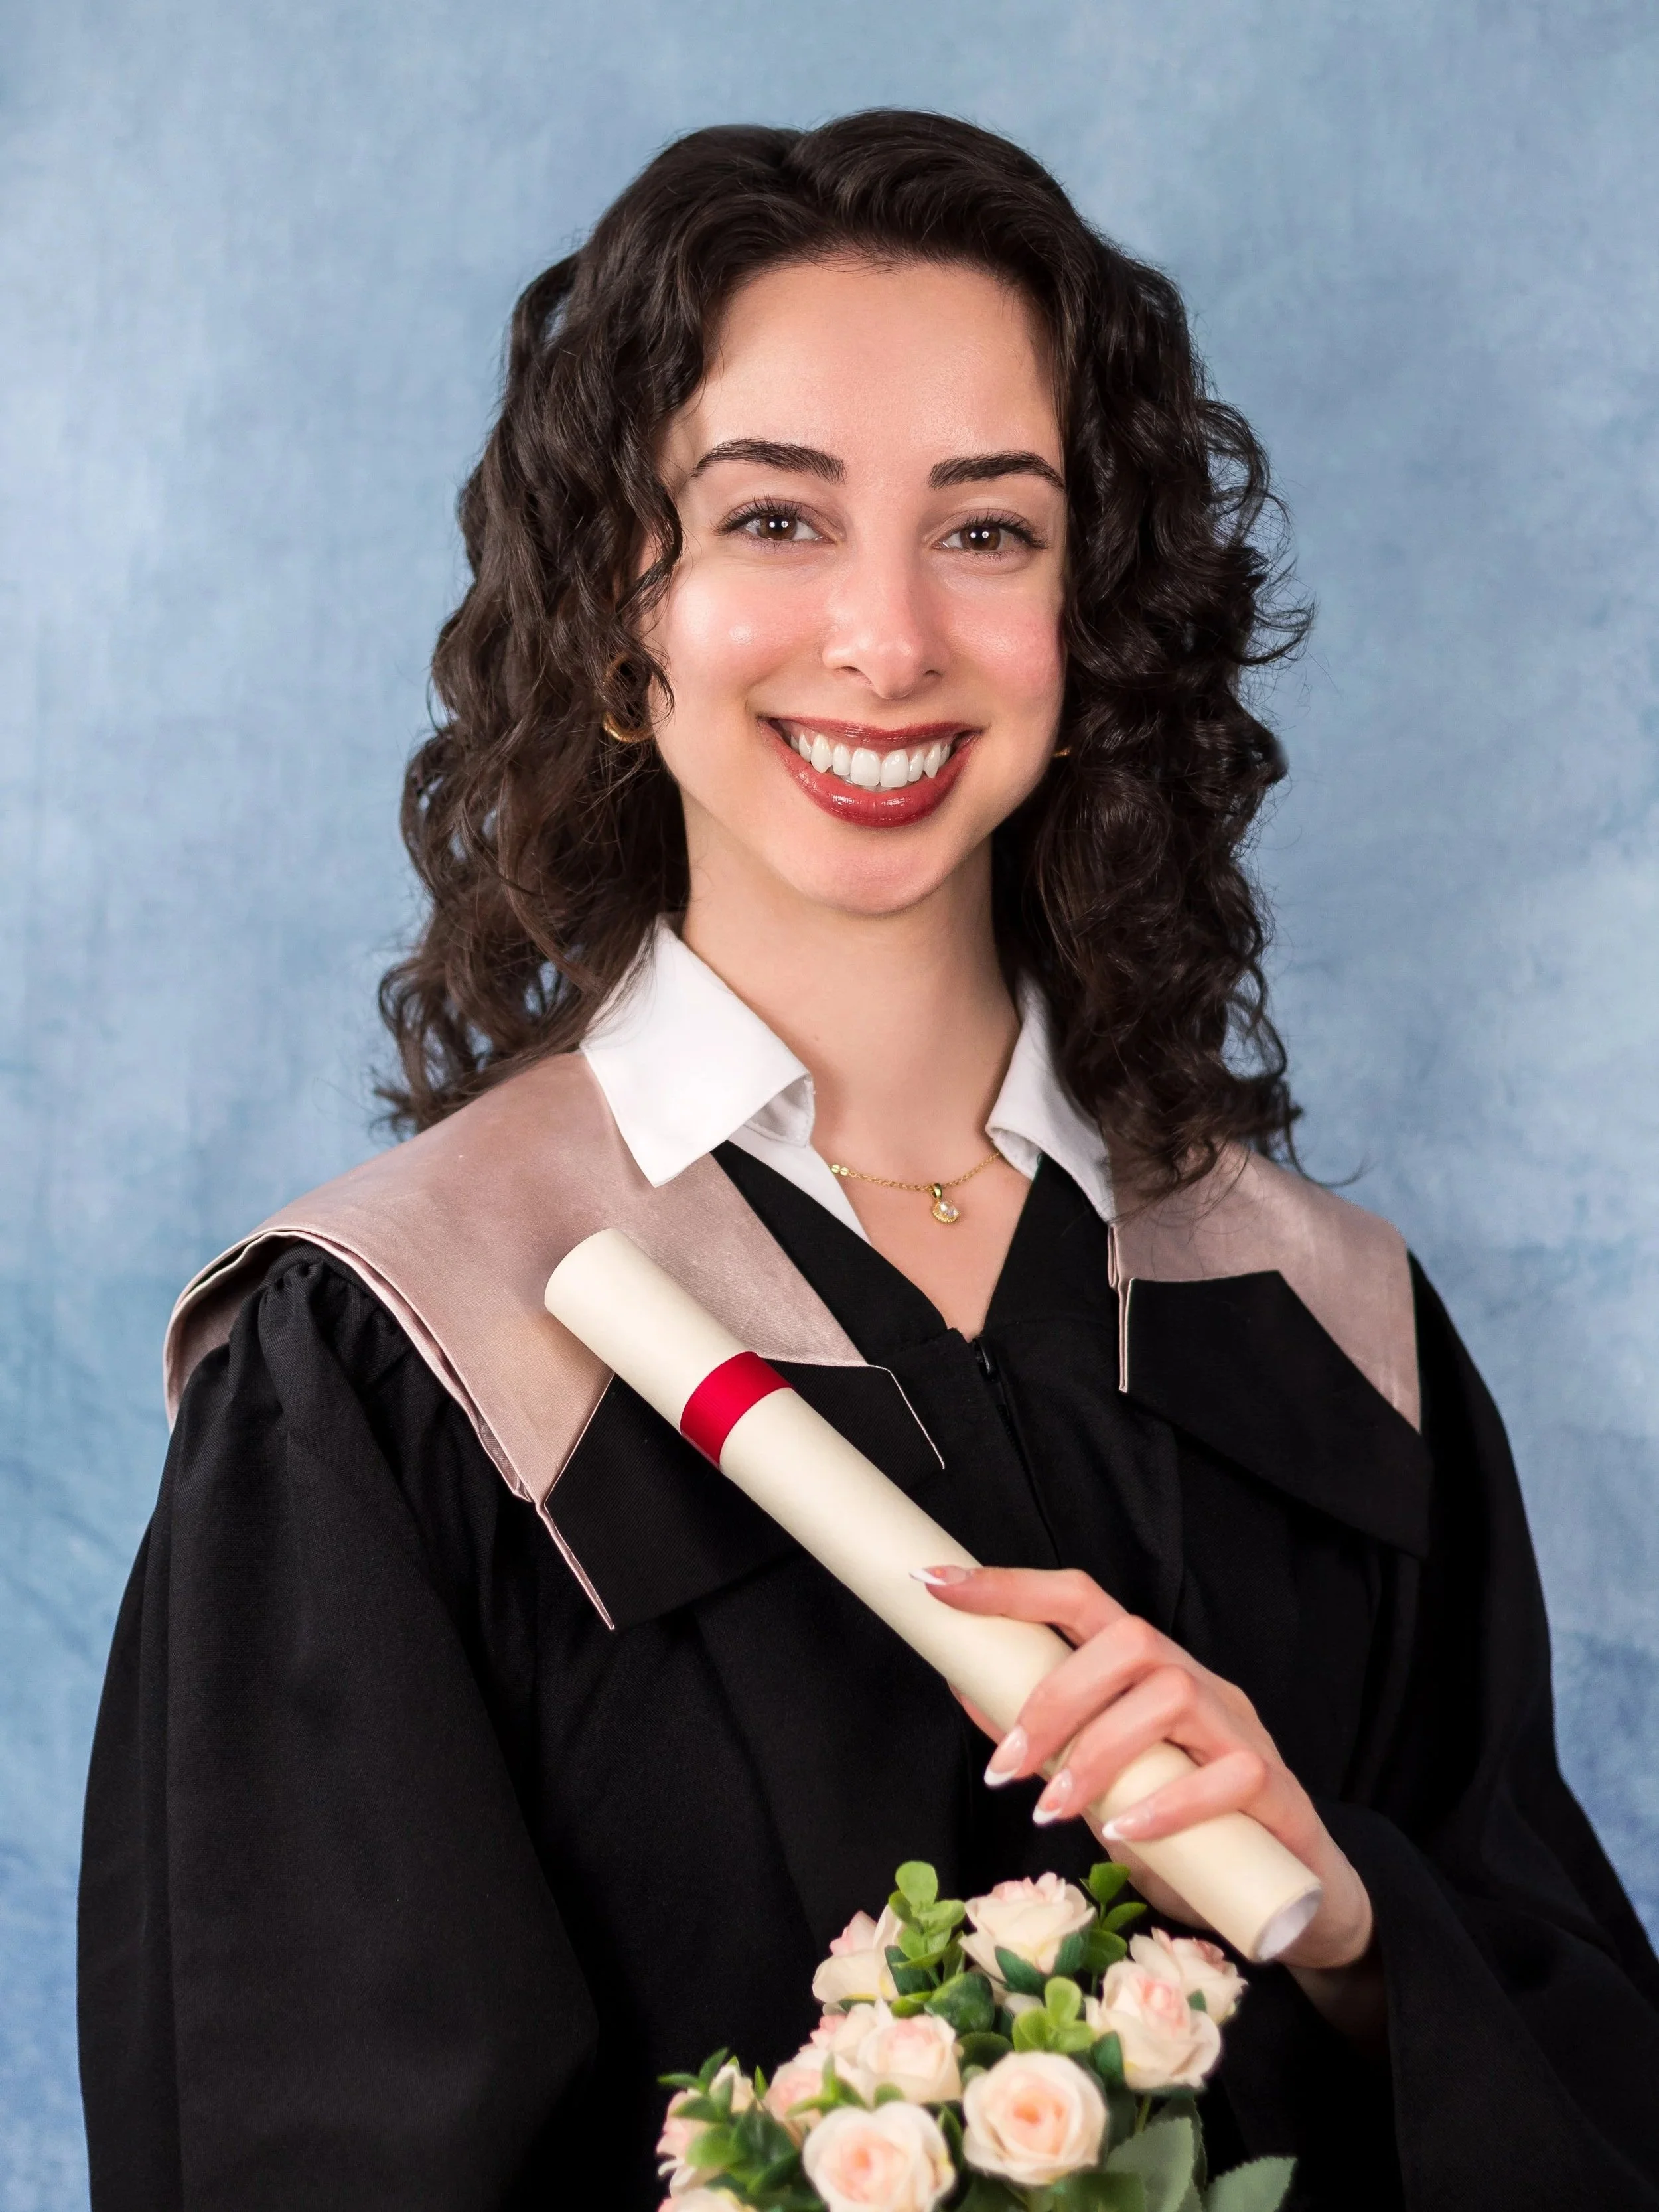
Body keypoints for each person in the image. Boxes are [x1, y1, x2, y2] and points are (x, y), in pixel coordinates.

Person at [78, 112, 1659, 2211]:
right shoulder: (405, 1355)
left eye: (987, 529)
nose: (888, 638)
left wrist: (1358, 1934)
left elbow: (1596, 2086)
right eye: (774, 519)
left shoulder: (1323, 1324)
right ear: (621, 612)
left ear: (1093, 616)